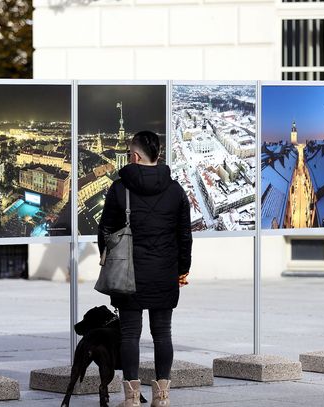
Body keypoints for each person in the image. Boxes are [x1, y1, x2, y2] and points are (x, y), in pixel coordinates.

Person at [98, 130, 192, 407]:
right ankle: (161, 397)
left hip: (129, 272)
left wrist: (108, 259)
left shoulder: (119, 189)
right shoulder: (176, 190)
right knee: (163, 333)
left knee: (129, 335)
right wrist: (181, 270)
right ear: (158, 155)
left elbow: (105, 231)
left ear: (135, 156)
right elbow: (184, 236)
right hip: (164, 272)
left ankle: (131, 399)